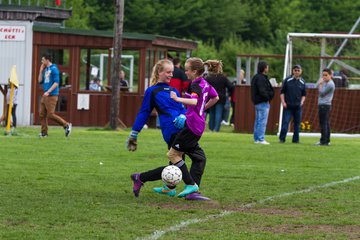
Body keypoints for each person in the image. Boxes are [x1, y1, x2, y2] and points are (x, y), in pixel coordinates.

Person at [128, 59, 216, 200]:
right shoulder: (152, 91)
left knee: (176, 165)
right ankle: (191, 189)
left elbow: (183, 108)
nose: (171, 75)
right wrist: (134, 133)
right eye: (168, 72)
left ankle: (147, 180)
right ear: (159, 72)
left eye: (172, 73)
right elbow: (144, 112)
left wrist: (183, 115)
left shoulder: (173, 90)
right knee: (196, 159)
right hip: (173, 132)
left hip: (184, 128)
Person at [166, 57, 219, 197]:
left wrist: (177, 99)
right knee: (187, 155)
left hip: (192, 125)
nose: (185, 72)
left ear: (195, 71)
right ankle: (169, 187)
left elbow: (194, 101)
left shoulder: (195, 84)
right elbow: (216, 97)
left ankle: (190, 185)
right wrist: (203, 110)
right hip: (197, 124)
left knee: (172, 154)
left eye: (187, 70)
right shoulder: (205, 83)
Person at [38, 54, 72, 137]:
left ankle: (66, 125)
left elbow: (56, 83)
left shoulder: (54, 69)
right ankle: (44, 133)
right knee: (42, 114)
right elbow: (40, 81)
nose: (42, 61)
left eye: (43, 60)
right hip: (45, 95)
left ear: (47, 60)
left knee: (50, 114)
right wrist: (40, 71)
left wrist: (48, 92)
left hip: (51, 95)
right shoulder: (46, 69)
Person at [279, 64, 306, 143]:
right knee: (285, 123)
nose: (297, 72)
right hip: (288, 106)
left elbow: (304, 94)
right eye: (295, 70)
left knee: (297, 124)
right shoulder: (287, 80)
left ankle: (296, 140)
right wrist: (283, 102)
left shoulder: (302, 82)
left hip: (298, 106)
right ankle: (282, 139)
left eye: (298, 70)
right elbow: (282, 92)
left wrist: (302, 102)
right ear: (293, 71)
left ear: (301, 71)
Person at [205, 60, 234, 132]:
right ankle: (216, 129)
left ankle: (211, 128)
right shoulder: (223, 77)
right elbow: (231, 86)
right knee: (218, 113)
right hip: (221, 98)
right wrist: (229, 94)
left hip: (211, 97)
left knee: (212, 113)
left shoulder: (208, 77)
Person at [251, 61, 274, 144]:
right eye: (267, 67)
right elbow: (262, 91)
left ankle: (256, 139)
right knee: (262, 121)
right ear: (264, 68)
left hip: (257, 102)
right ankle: (261, 139)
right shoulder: (261, 78)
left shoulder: (256, 77)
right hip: (263, 102)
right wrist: (268, 97)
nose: (268, 68)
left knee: (258, 121)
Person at [315, 68, 335, 146]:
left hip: (324, 105)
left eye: (326, 75)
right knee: (326, 123)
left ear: (330, 75)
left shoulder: (330, 84)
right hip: (324, 105)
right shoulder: (326, 83)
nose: (324, 77)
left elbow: (322, 93)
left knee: (323, 123)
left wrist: (320, 84)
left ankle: (323, 141)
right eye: (323, 75)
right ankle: (326, 140)